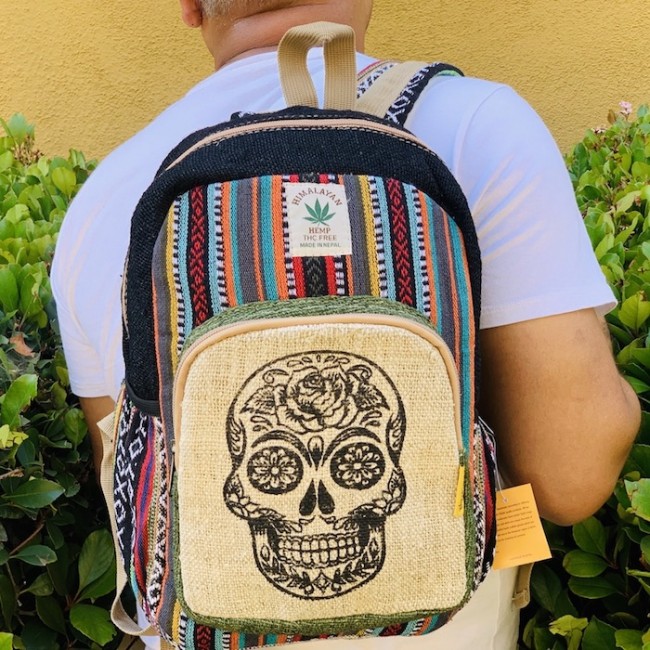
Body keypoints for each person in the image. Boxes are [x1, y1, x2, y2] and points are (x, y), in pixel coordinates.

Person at [50, 1, 641, 648]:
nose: (317, 508)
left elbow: (131, 480)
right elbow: (572, 474)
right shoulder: (477, 127)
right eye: (272, 470)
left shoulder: (102, 201)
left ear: (191, 7)